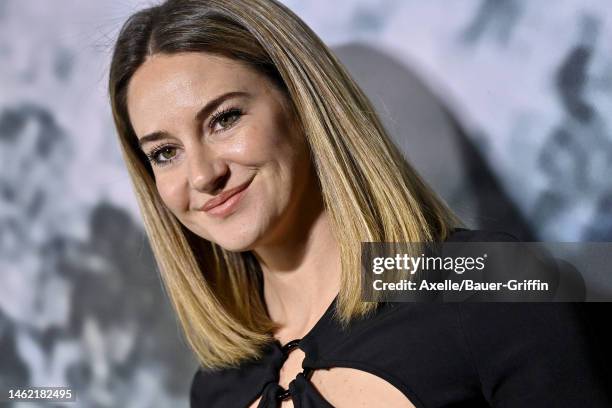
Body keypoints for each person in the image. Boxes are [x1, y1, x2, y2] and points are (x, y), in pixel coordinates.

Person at [108, 0, 611, 406]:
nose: (202, 175)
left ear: (303, 107)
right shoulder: (215, 388)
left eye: (225, 119)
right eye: (165, 152)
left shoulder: (491, 283)